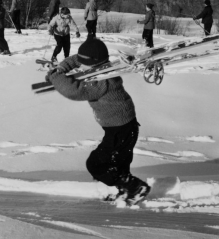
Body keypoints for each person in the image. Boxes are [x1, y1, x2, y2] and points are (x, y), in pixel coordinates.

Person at [46, 37, 150, 206]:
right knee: (117, 164)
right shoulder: (101, 67)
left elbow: (74, 91)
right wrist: (62, 68)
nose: (80, 65)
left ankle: (136, 187)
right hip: (123, 127)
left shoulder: (101, 80)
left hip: (120, 130)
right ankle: (126, 189)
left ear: (94, 64)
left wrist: (56, 77)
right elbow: (77, 59)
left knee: (96, 165)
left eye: (83, 64)